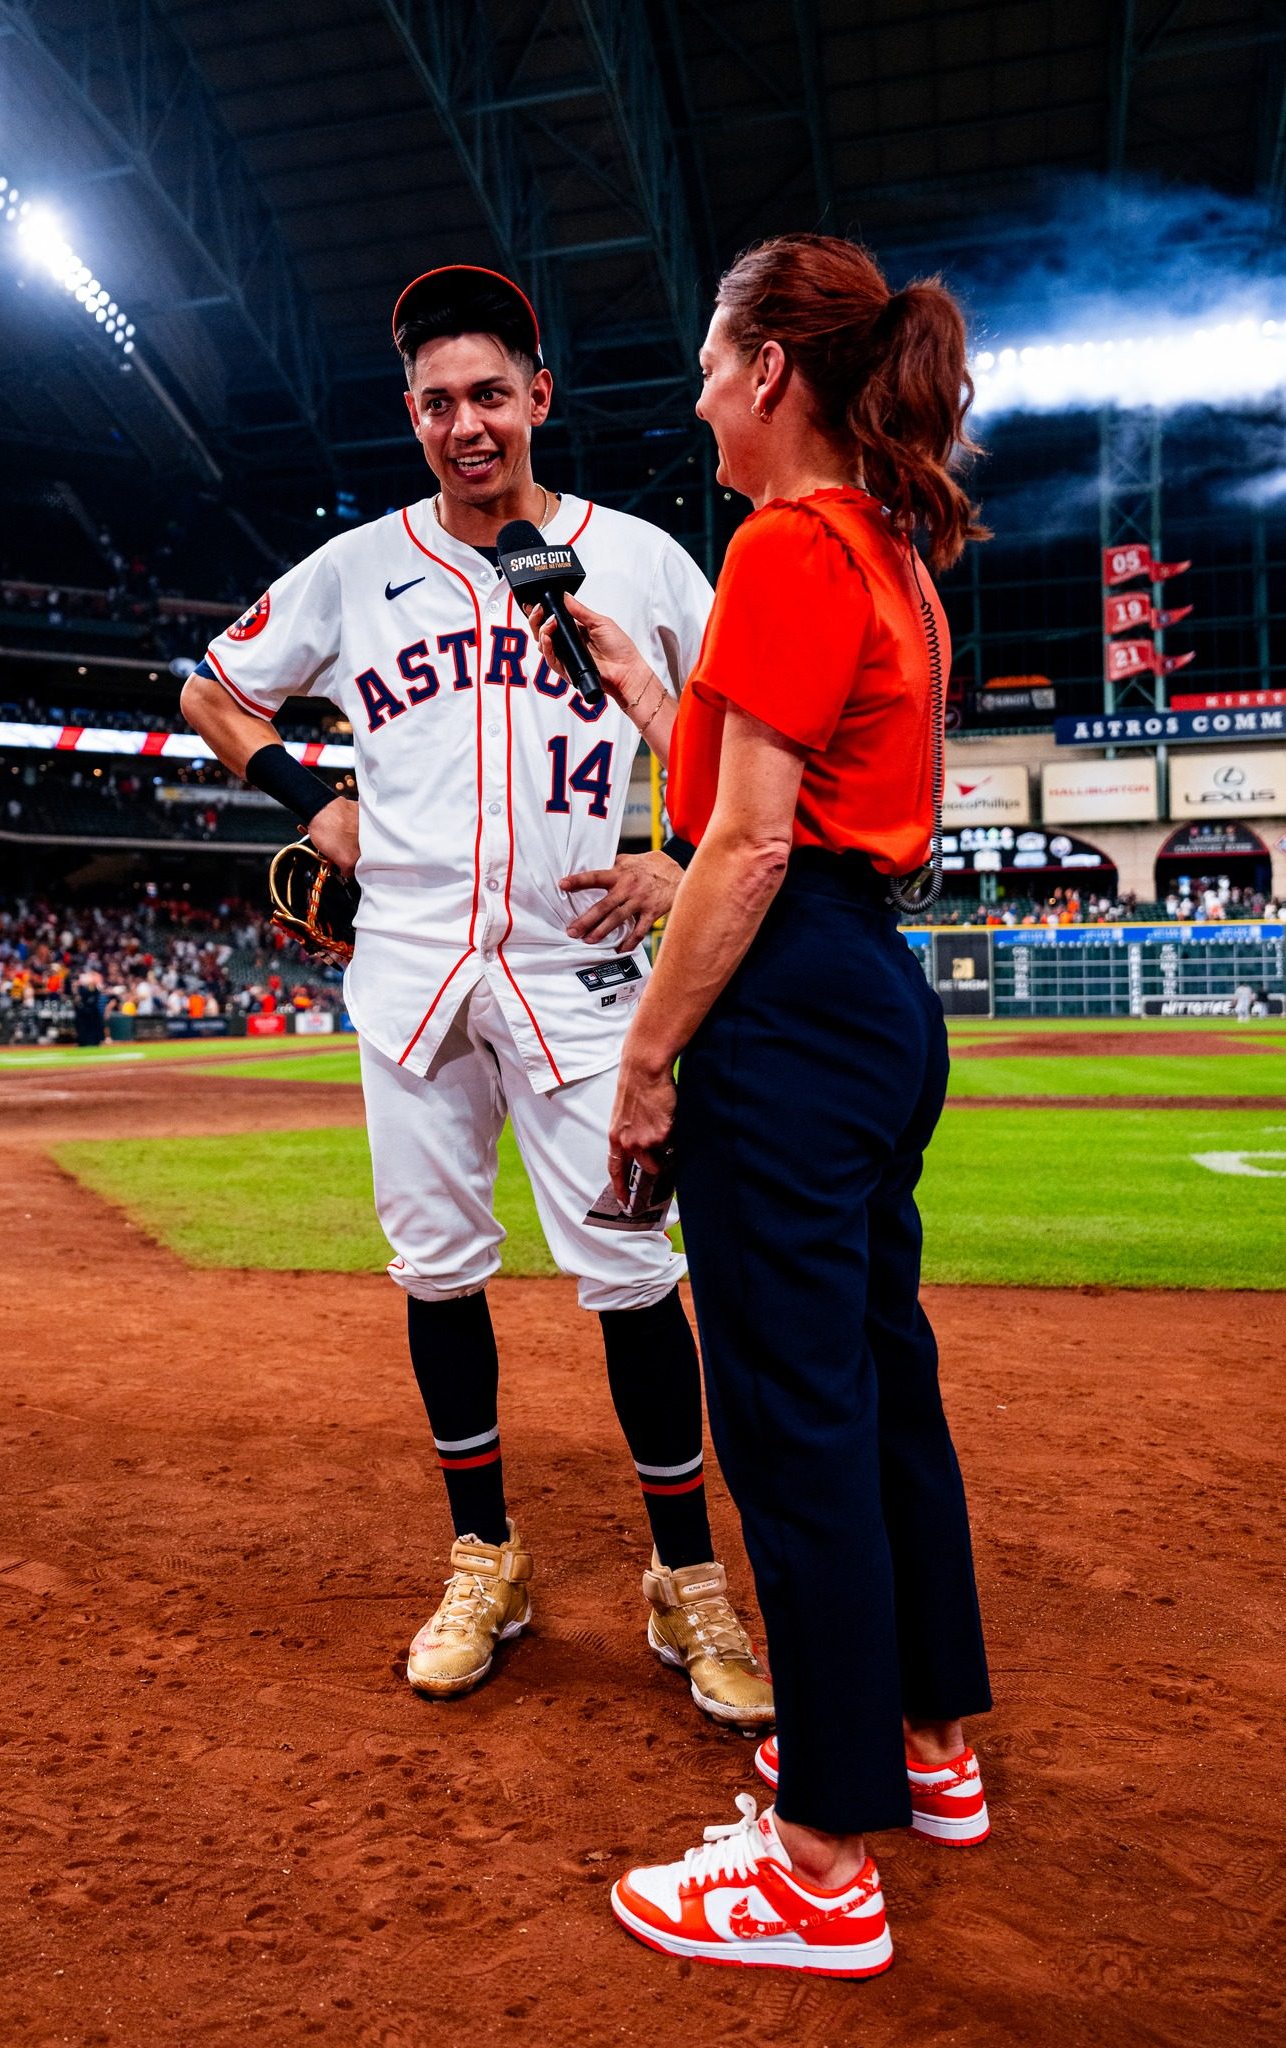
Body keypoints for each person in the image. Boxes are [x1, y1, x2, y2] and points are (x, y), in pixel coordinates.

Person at [180, 264, 772, 1729]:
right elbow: (210, 686)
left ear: (537, 399)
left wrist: (683, 859)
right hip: (411, 972)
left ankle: (682, 1579)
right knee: (436, 1269)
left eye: (490, 395)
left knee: (636, 1277)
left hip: (582, 978)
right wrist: (304, 795)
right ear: (413, 414)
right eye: (438, 401)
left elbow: (749, 732)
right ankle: (484, 1558)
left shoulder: (636, 560)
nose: (466, 424)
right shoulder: (354, 568)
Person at [530, 233, 993, 1975]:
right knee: (880, 1392)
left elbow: (742, 844)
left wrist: (647, 1062)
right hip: (865, 993)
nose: (703, 390)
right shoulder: (881, 551)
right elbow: (776, 793)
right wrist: (654, 691)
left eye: (719, 361)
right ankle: (921, 1749)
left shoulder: (786, 542)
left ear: (771, 372)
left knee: (794, 1425)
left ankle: (817, 1865)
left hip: (786, 1017)